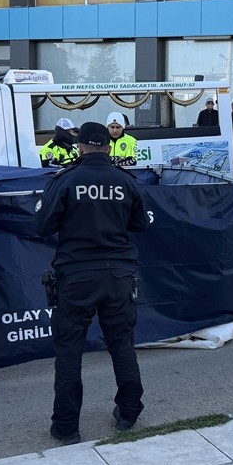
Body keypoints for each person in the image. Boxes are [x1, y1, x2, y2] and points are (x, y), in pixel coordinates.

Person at [34, 121, 148, 444]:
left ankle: (67, 427)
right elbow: (141, 224)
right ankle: (128, 412)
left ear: (80, 146)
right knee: (122, 345)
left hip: (76, 278)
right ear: (109, 147)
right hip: (118, 276)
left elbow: (42, 225)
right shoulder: (126, 181)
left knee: (69, 353)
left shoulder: (66, 179)